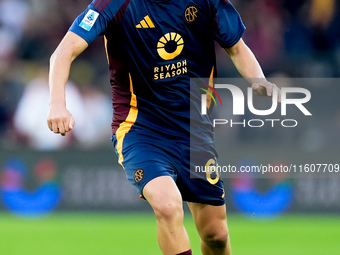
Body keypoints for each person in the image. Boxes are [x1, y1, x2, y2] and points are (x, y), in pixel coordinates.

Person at [47, 1, 280, 254]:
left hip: (194, 132)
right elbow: (64, 51)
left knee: (216, 235)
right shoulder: (114, 4)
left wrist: (259, 81)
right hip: (141, 129)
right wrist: (57, 104)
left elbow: (236, 48)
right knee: (168, 206)